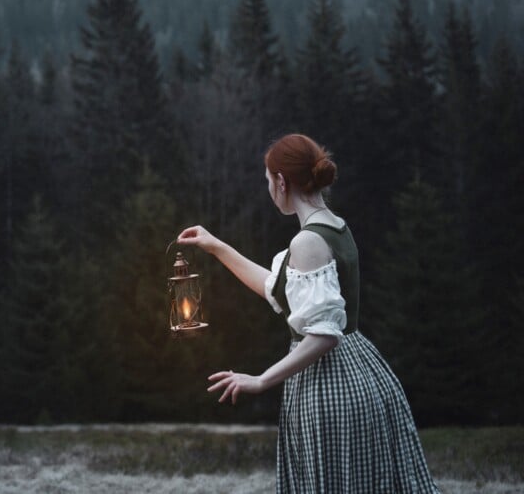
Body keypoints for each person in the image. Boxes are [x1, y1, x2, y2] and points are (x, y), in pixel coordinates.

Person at [178, 133, 440, 492]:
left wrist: (261, 380)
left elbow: (323, 335)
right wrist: (217, 247)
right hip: (359, 367)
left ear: (282, 181)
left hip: (329, 385)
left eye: (268, 180)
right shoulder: (335, 226)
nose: (268, 188)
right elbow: (278, 288)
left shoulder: (307, 242)